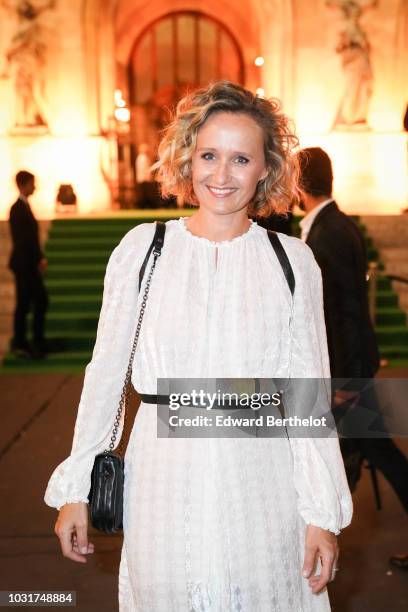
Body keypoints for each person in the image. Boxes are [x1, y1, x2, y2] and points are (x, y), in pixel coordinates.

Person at [44, 82, 352, 611]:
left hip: (262, 481)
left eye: (240, 159)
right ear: (187, 158)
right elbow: (106, 374)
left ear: (265, 168)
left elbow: (306, 399)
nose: (221, 175)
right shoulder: (143, 249)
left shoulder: (292, 262)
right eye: (209, 155)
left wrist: (321, 514)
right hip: (163, 479)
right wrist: (77, 485)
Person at [297, 146, 408, 568]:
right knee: (357, 454)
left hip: (347, 371)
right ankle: (318, 537)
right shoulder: (333, 226)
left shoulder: (329, 233)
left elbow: (341, 315)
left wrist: (343, 383)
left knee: (374, 455)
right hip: (351, 367)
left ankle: (315, 542)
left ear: (298, 184)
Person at [8, 170, 49, 358]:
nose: (35, 186)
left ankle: (31, 342)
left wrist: (39, 257)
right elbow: (24, 241)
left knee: (32, 302)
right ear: (24, 184)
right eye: (32, 183)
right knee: (30, 303)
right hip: (25, 266)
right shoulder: (17, 208)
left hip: (29, 265)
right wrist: (36, 260)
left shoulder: (23, 207)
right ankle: (25, 343)